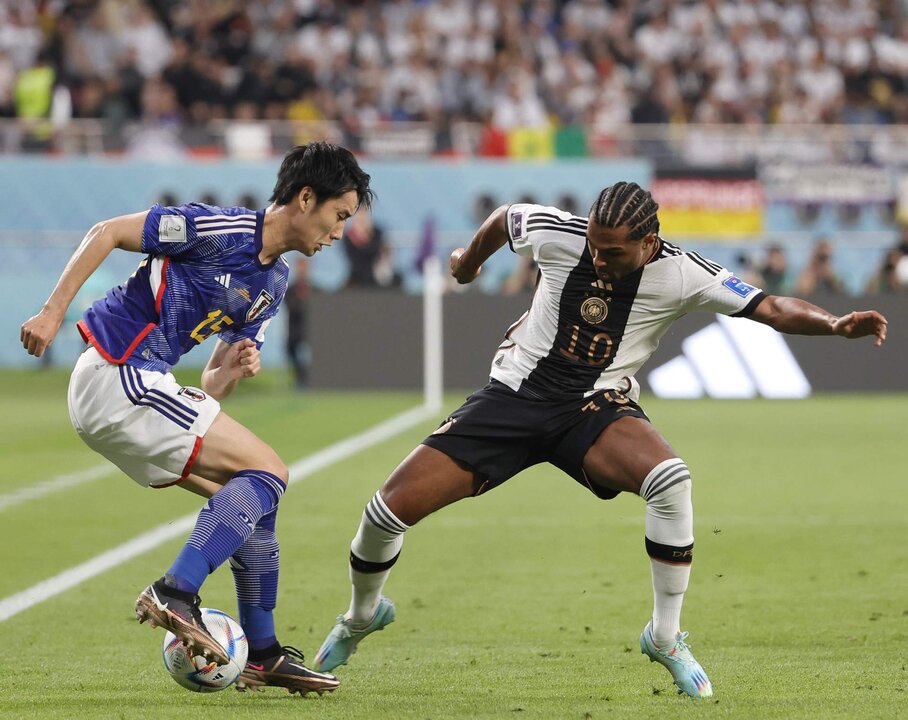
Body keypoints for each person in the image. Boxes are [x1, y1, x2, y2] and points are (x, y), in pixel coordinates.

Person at [311, 182, 887, 699]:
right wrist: (467, 263)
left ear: (649, 242)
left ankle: (664, 635)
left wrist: (833, 325)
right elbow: (505, 220)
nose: (599, 258)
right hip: (511, 398)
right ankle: (363, 615)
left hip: (593, 409)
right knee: (385, 512)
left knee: (671, 480)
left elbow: (771, 306)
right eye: (593, 244)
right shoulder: (558, 234)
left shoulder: (683, 272)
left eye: (613, 251)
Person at [20, 141, 373, 696]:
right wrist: (52, 310)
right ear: (306, 198)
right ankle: (175, 592)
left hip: (140, 386)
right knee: (270, 472)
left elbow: (210, 388)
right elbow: (107, 231)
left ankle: (263, 654)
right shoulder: (218, 229)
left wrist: (231, 368)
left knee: (256, 498)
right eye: (339, 215)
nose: (339, 232)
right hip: (117, 371)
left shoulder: (272, 285)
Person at [285, 257, 312, 389]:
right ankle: (300, 380)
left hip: (311, 330)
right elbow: (291, 306)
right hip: (295, 330)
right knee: (293, 353)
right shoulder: (289, 289)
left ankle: (308, 379)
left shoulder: (314, 288)